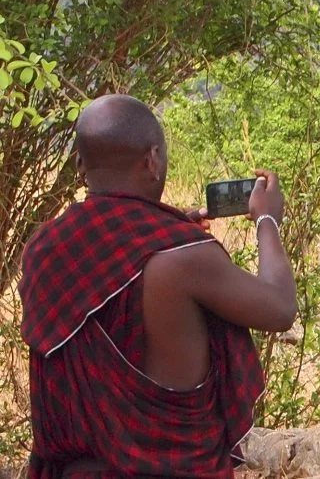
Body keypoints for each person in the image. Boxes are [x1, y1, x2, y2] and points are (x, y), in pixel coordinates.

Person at [19, 94, 298, 478]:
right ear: (152, 159)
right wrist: (267, 220)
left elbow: (108, 268)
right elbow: (280, 307)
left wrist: (166, 231)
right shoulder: (184, 255)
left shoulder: (42, 250)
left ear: (80, 162)